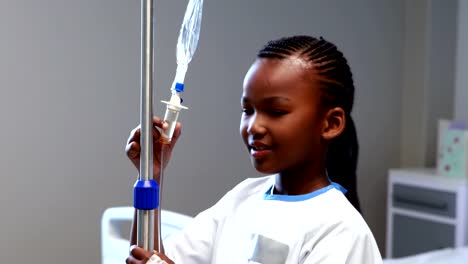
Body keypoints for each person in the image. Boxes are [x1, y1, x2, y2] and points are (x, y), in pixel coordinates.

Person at [125, 35, 382, 263]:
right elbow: (150, 259)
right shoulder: (242, 199)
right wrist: (151, 175)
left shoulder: (341, 231)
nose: (254, 126)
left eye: (277, 111)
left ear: (331, 123)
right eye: (247, 110)